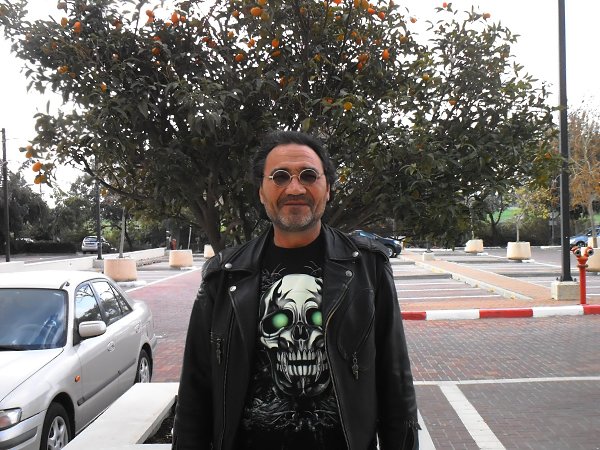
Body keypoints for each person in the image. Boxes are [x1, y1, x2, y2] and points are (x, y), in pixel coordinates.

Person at [172, 130, 419, 450]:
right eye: (279, 176)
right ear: (261, 192)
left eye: (308, 175)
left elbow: (395, 382)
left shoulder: (368, 267)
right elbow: (196, 392)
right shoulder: (223, 276)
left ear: (328, 189)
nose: (295, 188)